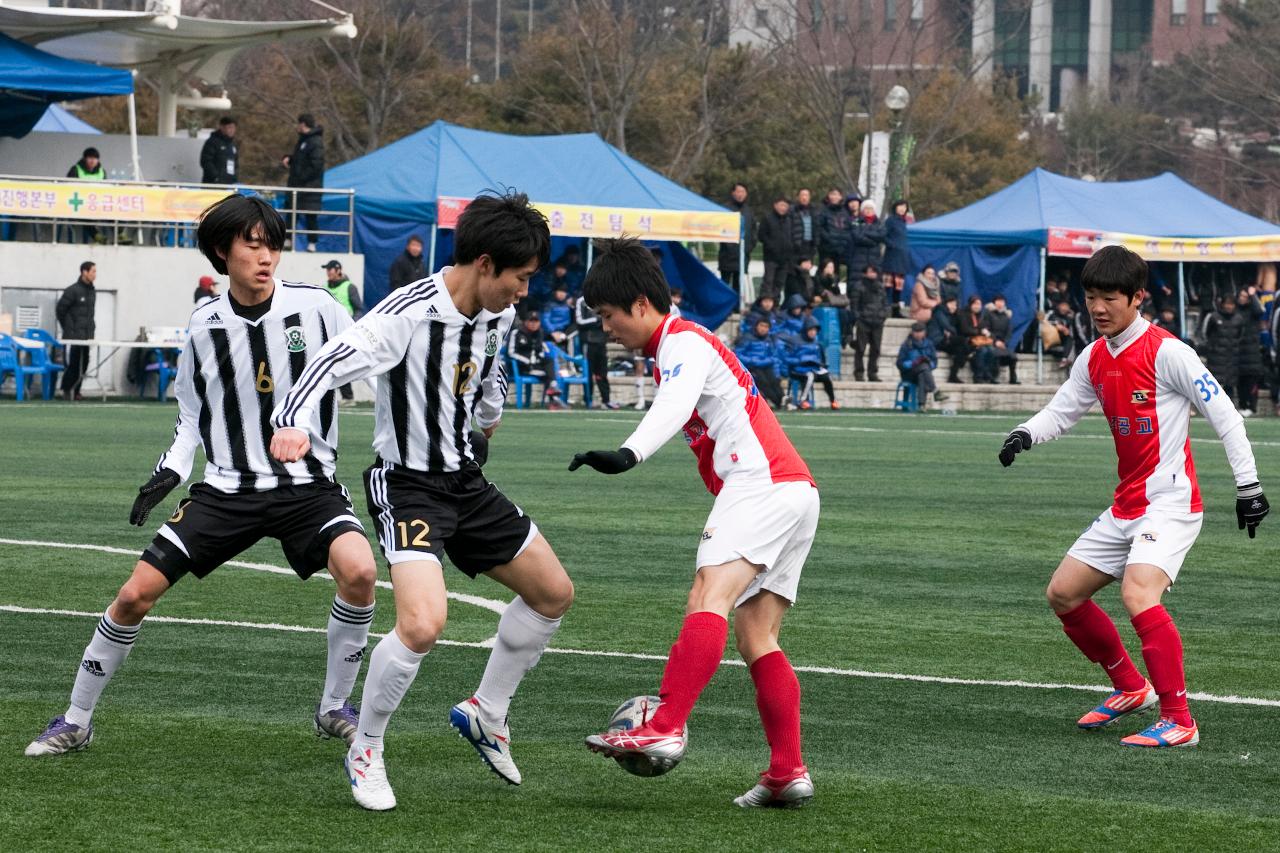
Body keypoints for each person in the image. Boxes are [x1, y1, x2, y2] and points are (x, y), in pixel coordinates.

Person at [26, 195, 378, 763]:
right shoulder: (203, 326)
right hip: (227, 490)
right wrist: (170, 467)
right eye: (253, 244)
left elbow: (365, 362)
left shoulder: (317, 308)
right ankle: (75, 718)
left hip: (307, 489)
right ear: (224, 250)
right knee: (134, 595)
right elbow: (192, 414)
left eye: (274, 245)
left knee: (360, 572)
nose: (267, 257)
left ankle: (334, 705)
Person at [269, 191, 575, 810]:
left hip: (465, 481)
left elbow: (490, 374)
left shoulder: (500, 315)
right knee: (422, 623)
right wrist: (291, 419)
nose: (524, 292)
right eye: (519, 278)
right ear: (485, 264)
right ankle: (367, 747)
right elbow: (328, 362)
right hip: (407, 485)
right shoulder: (406, 314)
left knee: (552, 593)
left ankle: (487, 712)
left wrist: (487, 420)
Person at [570, 236, 819, 808]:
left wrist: (627, 453)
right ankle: (787, 771)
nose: (605, 328)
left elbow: (675, 403)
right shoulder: (686, 344)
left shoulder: (681, 341)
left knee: (708, 593)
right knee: (757, 634)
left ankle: (664, 724)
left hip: (760, 484)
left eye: (608, 316)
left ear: (639, 304)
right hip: (795, 491)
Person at [997, 244, 1268, 750]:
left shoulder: (1169, 352)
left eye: (1109, 298)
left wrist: (1248, 486)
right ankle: (1129, 688)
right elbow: (1062, 411)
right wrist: (1024, 434)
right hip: (1126, 505)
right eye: (1091, 298)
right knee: (1063, 593)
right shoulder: (1095, 356)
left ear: (1137, 297)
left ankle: (1179, 719)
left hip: (1170, 504)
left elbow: (1226, 416)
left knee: (1137, 593)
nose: (1098, 308)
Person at [321, 260, 367, 407]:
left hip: (345, 332)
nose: (328, 272)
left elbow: (358, 308)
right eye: (327, 269)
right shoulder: (324, 288)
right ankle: (330, 396)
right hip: (328, 331)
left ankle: (348, 396)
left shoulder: (349, 287)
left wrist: (352, 324)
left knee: (340, 363)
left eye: (330, 269)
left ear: (338, 270)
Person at [283, 113, 325, 251]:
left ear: (303, 124)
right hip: (297, 186)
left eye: (298, 124)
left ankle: (312, 243)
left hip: (309, 186)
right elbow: (301, 160)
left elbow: (316, 165)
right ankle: (288, 239)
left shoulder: (315, 141)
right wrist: (290, 158)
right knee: (291, 211)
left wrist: (300, 177)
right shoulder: (303, 140)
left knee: (310, 215)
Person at [56, 261, 96, 401]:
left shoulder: (92, 291)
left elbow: (89, 315)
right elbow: (60, 310)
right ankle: (66, 390)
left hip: (86, 336)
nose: (95, 275)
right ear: (84, 272)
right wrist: (68, 328)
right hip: (72, 337)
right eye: (93, 272)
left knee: (83, 365)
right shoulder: (72, 290)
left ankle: (76, 390)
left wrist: (91, 332)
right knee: (73, 364)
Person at [509, 310, 565, 410]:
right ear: (525, 322)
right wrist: (527, 361)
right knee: (550, 374)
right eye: (531, 321)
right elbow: (511, 352)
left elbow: (544, 348)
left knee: (550, 362)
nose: (534, 324)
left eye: (536, 321)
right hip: (522, 367)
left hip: (536, 366)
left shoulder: (540, 333)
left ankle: (553, 393)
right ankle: (554, 400)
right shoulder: (516, 333)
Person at [575, 292, 620, 409]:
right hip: (588, 342)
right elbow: (579, 321)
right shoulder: (581, 301)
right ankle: (588, 400)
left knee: (602, 373)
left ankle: (606, 401)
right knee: (588, 372)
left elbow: (611, 318)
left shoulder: (604, 300)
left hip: (601, 341)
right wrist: (596, 320)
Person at [784, 317, 839, 410]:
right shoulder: (794, 341)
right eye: (811, 330)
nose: (813, 332)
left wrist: (821, 364)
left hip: (813, 368)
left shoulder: (817, 343)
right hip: (798, 369)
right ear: (806, 330)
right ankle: (802, 401)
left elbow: (821, 359)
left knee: (827, 376)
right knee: (810, 376)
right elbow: (787, 357)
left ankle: (833, 401)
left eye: (815, 330)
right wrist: (799, 361)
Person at [1200, 293, 1244, 404]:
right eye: (1227, 304)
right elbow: (1204, 334)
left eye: (1231, 304)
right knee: (1215, 384)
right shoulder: (1213, 316)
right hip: (1216, 357)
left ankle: (1230, 409)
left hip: (1232, 357)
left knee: (1230, 385)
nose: (1229, 306)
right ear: (1222, 304)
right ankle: (1212, 408)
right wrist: (1212, 347)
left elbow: (1241, 335)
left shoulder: (1239, 318)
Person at [734, 316, 786, 409]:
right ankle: (779, 402)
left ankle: (783, 399)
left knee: (774, 380)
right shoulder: (746, 337)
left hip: (766, 365)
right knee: (763, 382)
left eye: (766, 327)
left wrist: (777, 372)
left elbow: (774, 356)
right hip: (751, 367)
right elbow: (737, 354)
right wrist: (752, 360)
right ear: (756, 326)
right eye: (761, 325)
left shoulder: (769, 339)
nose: (763, 329)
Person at [849, 264, 888, 382]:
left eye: (874, 272)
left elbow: (885, 303)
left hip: (878, 322)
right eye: (870, 272)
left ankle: (873, 373)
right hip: (864, 321)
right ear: (864, 273)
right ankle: (859, 372)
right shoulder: (859, 286)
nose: (873, 274)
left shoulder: (880, 287)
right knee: (860, 348)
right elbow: (854, 304)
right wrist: (858, 316)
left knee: (876, 349)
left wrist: (883, 315)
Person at [717, 182, 756, 292]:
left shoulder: (749, 211)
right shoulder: (725, 209)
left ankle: (737, 307)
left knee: (739, 285)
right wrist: (729, 246)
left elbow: (753, 232)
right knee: (724, 284)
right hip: (727, 256)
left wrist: (749, 248)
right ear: (733, 193)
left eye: (743, 192)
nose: (740, 194)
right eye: (738, 191)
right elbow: (721, 230)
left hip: (743, 256)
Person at [897, 321, 945, 407]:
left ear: (924, 332)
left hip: (924, 372)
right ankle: (935, 391)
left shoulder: (929, 344)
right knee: (923, 367)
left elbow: (934, 361)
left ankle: (921, 404)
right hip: (909, 373)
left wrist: (929, 363)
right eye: (916, 332)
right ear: (912, 332)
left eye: (920, 332)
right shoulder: (907, 345)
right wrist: (913, 363)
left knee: (923, 372)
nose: (918, 334)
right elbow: (900, 363)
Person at [1234, 287, 1266, 417]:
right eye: (1241, 296)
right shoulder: (1235, 311)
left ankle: (1251, 407)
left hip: (1251, 353)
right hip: (1238, 352)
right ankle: (1242, 405)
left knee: (1251, 381)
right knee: (1240, 381)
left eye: (1245, 297)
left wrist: (1253, 296)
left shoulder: (1253, 311)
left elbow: (1260, 310)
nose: (1243, 298)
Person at [66, 147, 105, 244]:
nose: (92, 161)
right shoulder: (75, 170)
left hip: (97, 204)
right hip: (80, 204)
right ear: (84, 159)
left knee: (112, 210)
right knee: (84, 214)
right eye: (90, 158)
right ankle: (97, 236)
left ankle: (119, 235)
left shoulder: (102, 172)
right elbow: (68, 187)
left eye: (95, 158)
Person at [756, 197, 793, 300]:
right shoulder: (768, 218)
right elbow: (761, 235)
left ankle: (775, 305)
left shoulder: (789, 220)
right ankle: (765, 303)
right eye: (781, 205)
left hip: (785, 258)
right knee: (768, 281)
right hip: (771, 257)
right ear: (775, 205)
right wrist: (771, 246)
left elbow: (791, 236)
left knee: (779, 283)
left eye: (785, 206)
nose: (783, 208)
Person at [846, 201, 885, 293]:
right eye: (866, 208)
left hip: (874, 259)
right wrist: (873, 240)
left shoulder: (879, 223)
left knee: (874, 285)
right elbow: (857, 236)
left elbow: (881, 236)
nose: (868, 211)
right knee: (856, 284)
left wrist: (865, 233)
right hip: (858, 258)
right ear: (862, 210)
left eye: (870, 208)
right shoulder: (856, 222)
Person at [881, 200, 912, 316]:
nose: (902, 209)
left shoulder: (903, 222)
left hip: (902, 258)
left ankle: (895, 311)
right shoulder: (890, 220)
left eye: (904, 207)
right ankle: (884, 310)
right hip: (891, 257)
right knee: (888, 286)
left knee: (898, 287)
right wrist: (892, 245)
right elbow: (883, 235)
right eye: (900, 206)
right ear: (895, 207)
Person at [928, 295, 966, 383]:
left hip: (945, 340)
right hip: (936, 340)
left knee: (960, 349)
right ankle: (962, 361)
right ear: (946, 304)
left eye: (955, 305)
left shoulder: (951, 315)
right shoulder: (939, 312)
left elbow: (954, 328)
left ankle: (953, 376)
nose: (954, 306)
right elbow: (947, 326)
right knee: (962, 340)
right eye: (951, 304)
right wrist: (952, 332)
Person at [816, 189, 852, 280]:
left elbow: (848, 228)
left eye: (837, 195)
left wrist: (844, 240)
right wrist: (828, 238)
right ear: (828, 196)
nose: (835, 197)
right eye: (832, 194)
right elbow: (819, 227)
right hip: (827, 248)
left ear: (841, 197)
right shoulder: (823, 210)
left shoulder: (845, 212)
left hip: (840, 249)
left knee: (835, 274)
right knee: (824, 272)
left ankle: (834, 292)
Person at [984, 293, 1019, 385]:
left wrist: (1004, 342)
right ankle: (993, 377)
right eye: (998, 301)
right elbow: (986, 329)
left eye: (1002, 301)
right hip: (991, 342)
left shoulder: (1006, 316)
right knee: (995, 354)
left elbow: (1009, 332)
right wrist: (995, 341)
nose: (1000, 303)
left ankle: (1013, 378)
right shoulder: (988, 314)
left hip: (1003, 344)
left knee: (1013, 356)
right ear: (994, 302)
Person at [959, 294, 995, 383]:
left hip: (980, 341)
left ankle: (988, 375)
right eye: (975, 304)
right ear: (970, 304)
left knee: (991, 350)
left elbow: (985, 327)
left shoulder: (982, 316)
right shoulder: (963, 314)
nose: (977, 306)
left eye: (979, 304)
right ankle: (978, 376)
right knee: (982, 351)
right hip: (967, 340)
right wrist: (979, 331)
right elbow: (965, 329)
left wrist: (986, 332)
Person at [200, 116, 239, 185]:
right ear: (222, 127)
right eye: (229, 127)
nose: (232, 130)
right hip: (213, 184)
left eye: (233, 127)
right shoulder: (212, 142)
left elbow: (235, 164)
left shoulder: (232, 145)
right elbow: (206, 161)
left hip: (230, 184)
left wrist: (234, 178)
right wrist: (216, 177)